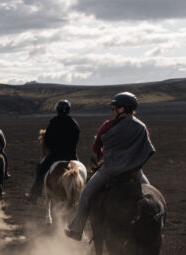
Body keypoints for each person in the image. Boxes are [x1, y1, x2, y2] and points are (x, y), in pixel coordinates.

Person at [64, 92, 154, 241]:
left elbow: (96, 146)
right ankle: (153, 226)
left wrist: (104, 155)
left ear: (123, 109)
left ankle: (76, 229)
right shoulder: (141, 127)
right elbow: (145, 147)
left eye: (114, 108)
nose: (112, 111)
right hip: (133, 171)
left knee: (86, 194)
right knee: (150, 195)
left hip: (109, 170)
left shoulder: (107, 126)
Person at [26, 100, 80, 202]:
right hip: (71, 155)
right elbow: (76, 139)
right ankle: (84, 196)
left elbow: (48, 140)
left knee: (41, 170)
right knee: (81, 171)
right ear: (68, 110)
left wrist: (54, 149)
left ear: (57, 110)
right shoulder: (74, 123)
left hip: (56, 155)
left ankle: (34, 195)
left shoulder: (54, 122)